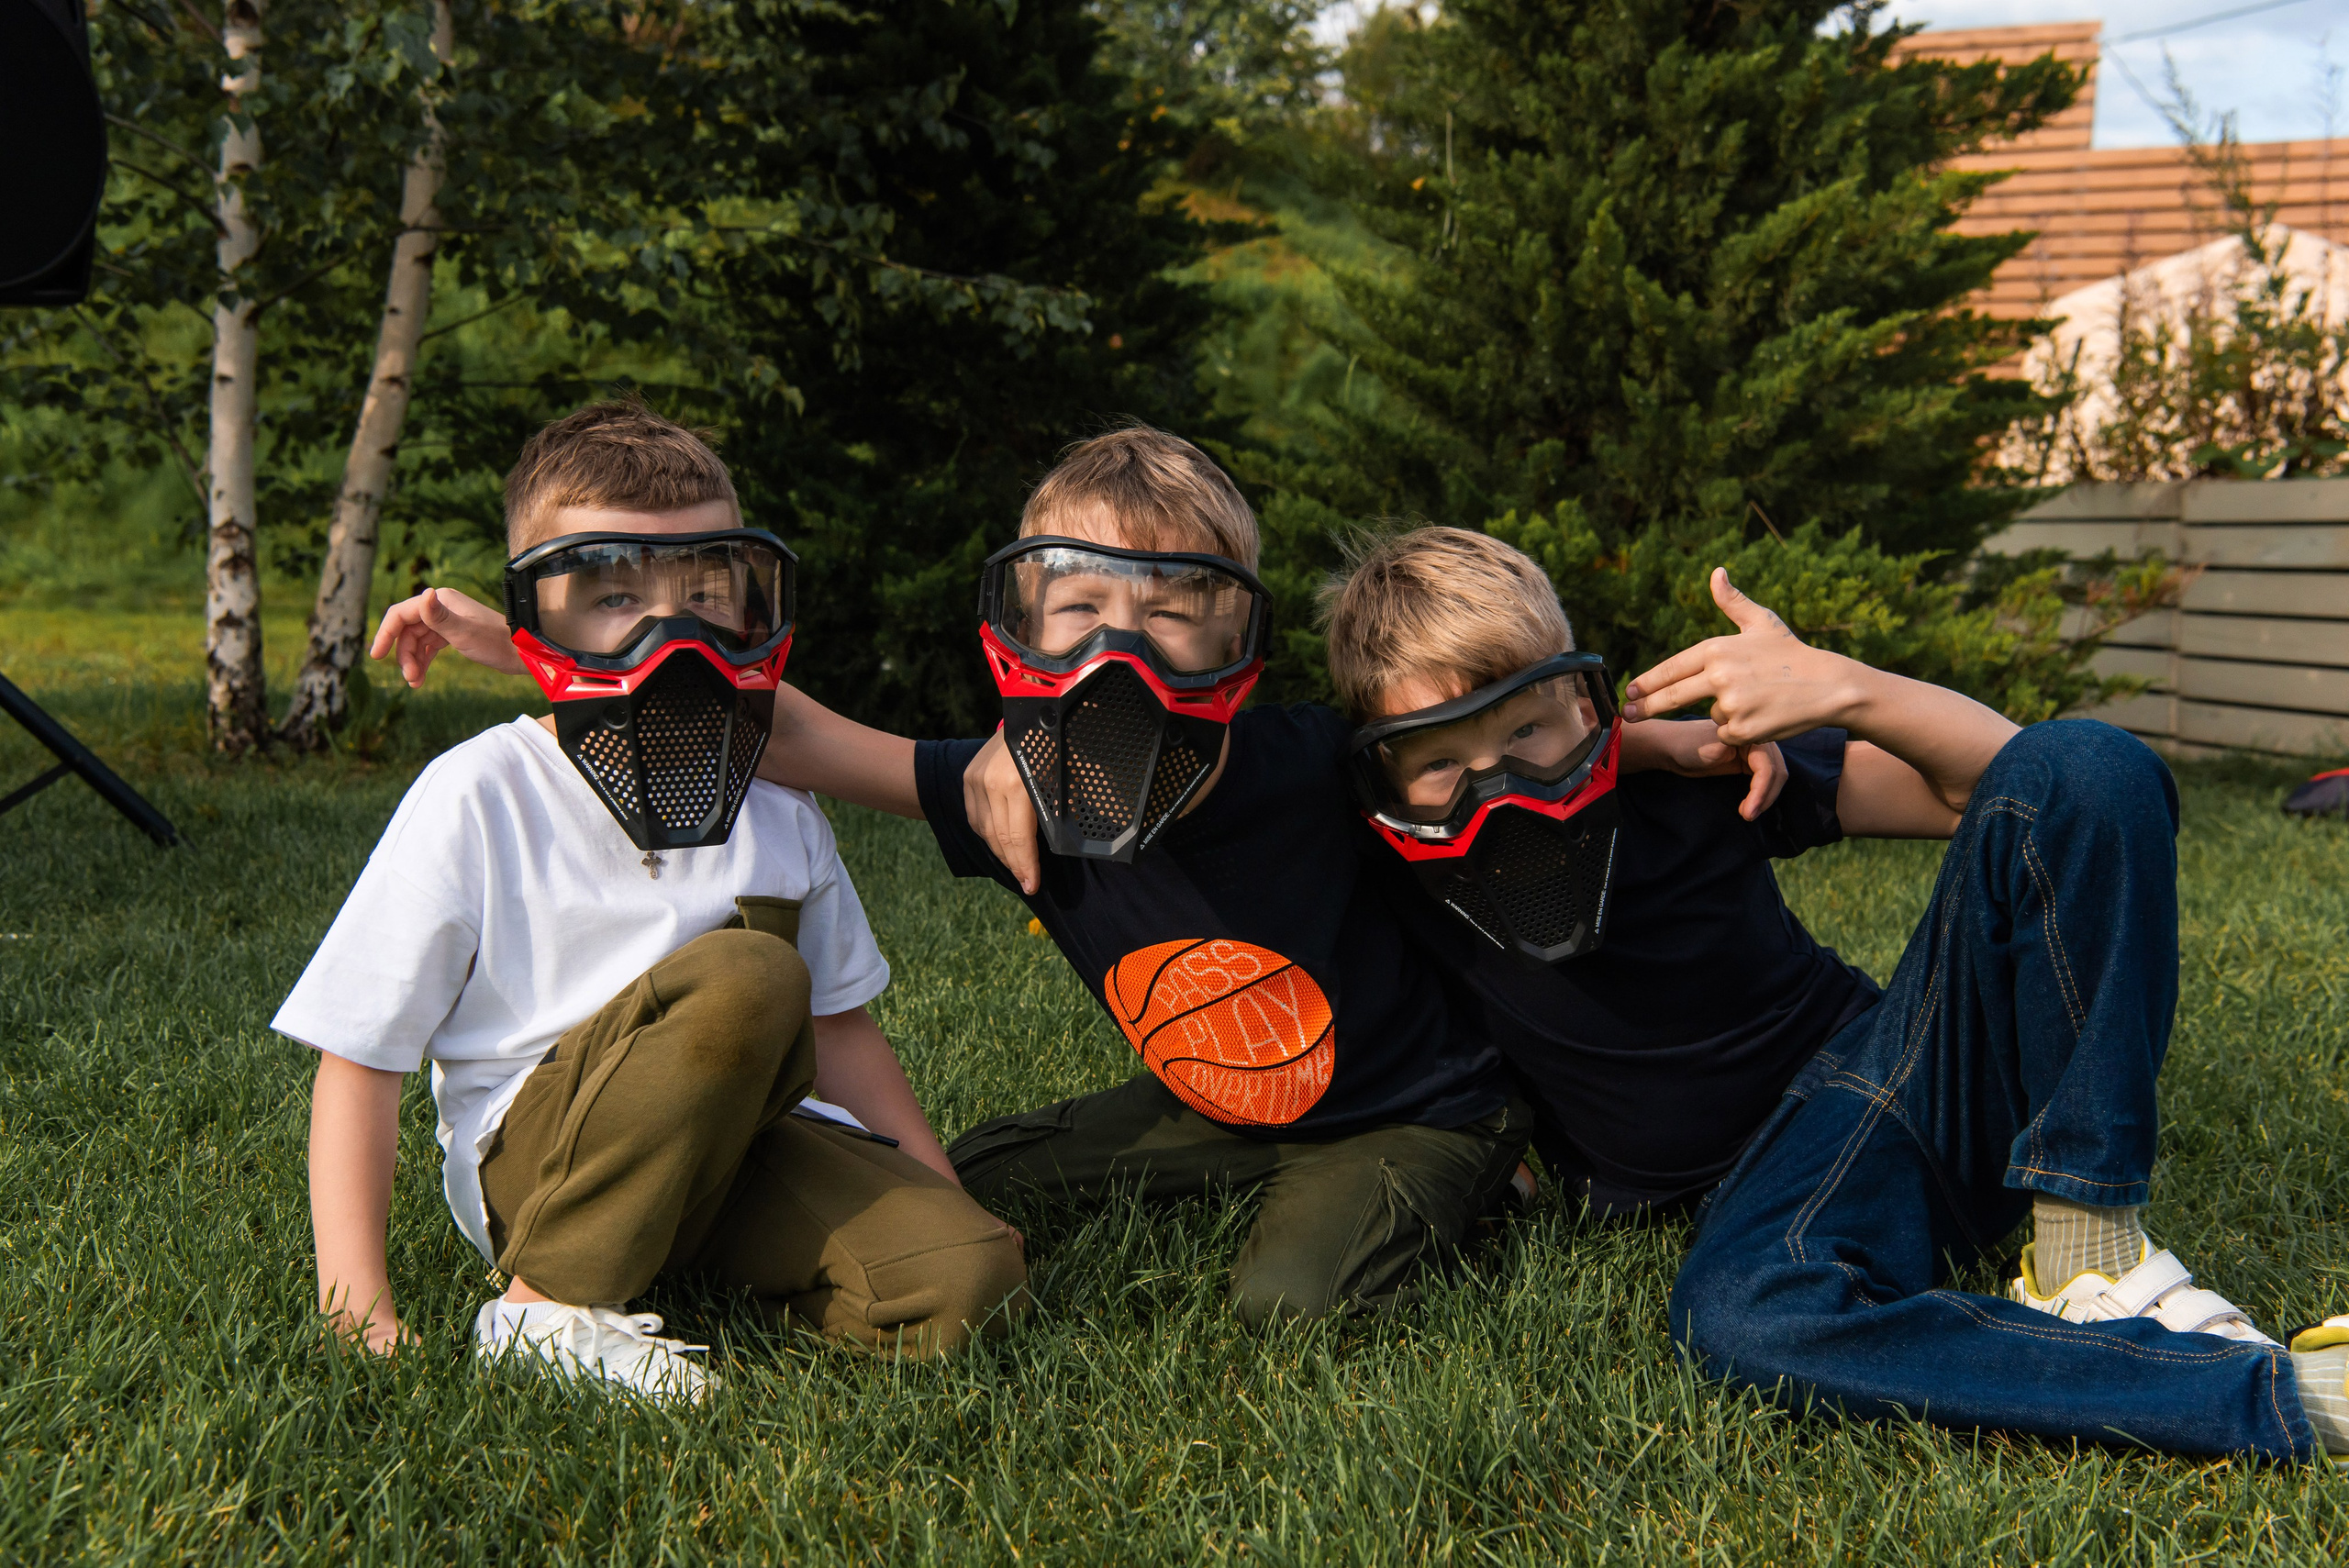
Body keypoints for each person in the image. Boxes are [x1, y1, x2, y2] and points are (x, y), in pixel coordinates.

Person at [371, 427, 1535, 1327]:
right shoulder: (1011, 790)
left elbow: (1483, 747)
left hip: (1408, 1107)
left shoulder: (1311, 763)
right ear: (1023, 619)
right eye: (1079, 606)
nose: (1116, 647)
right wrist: (536, 645)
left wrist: (1651, 739)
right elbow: (779, 726)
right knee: (957, 1185)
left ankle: (1492, 1178)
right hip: (1213, 1103)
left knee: (1289, 1303)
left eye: (1172, 609)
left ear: (1235, 634)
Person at [1305, 524, 2349, 1462]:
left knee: (2093, 756)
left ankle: (2088, 1245)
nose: (1499, 785)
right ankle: (2285, 1395)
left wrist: (1847, 689)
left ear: (1585, 703)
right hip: (1783, 1209)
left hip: (1904, 1085)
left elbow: (2023, 787)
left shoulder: (1696, 784)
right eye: (1442, 761)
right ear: (1385, 777)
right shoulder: (1387, 871)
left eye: (1526, 733)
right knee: (1744, 1320)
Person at [289, 402, 1028, 1404]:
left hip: (748, 1140)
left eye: (705, 589)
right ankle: (546, 1305)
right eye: (614, 593)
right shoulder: (480, 792)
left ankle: (660, 1274)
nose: (670, 627)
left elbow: (843, 1031)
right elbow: (361, 1059)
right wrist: (357, 1308)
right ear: (538, 615)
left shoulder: (778, 804)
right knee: (750, 972)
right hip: (541, 1160)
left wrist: (943, 1197)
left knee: (967, 1275)